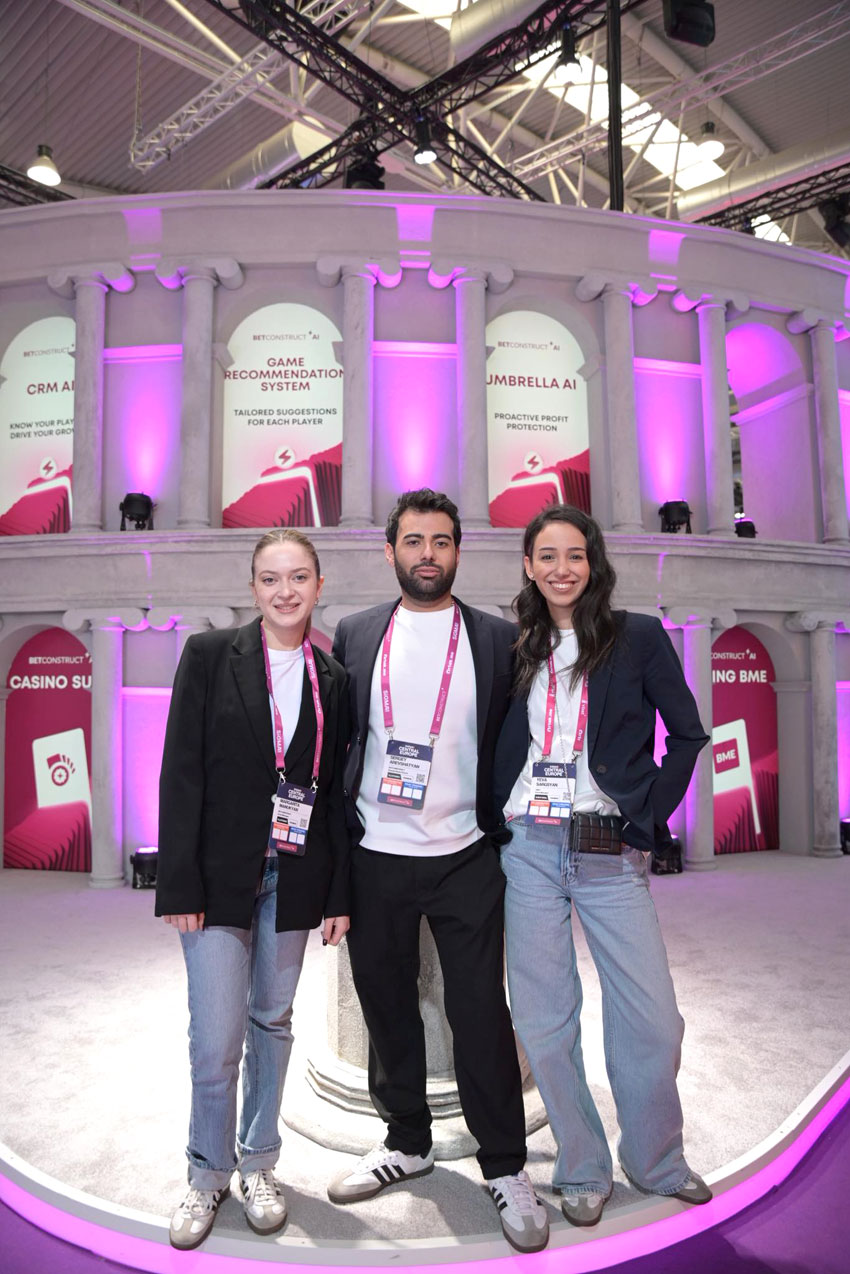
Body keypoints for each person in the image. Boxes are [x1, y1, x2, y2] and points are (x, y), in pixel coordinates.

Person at [326, 489, 549, 1254]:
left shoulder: (498, 639)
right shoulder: (356, 634)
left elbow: (516, 741)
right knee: (386, 1005)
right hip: (375, 855)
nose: (428, 554)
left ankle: (505, 1164)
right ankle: (406, 1140)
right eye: (414, 541)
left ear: (459, 550)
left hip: (466, 856)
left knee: (480, 1012)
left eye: (442, 541)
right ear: (389, 550)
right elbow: (340, 747)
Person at [492, 504, 712, 1229]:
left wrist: (647, 815)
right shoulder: (515, 646)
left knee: (653, 1018)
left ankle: (656, 1160)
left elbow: (688, 734)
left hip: (608, 845)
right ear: (529, 566)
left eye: (576, 555)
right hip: (529, 845)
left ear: (594, 564)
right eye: (547, 556)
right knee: (544, 1018)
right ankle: (582, 1166)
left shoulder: (637, 637)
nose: (562, 569)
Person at [155, 528, 350, 1251]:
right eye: (271, 578)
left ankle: (259, 1164)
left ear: (319, 585)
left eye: (298, 577)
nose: (285, 591)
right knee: (216, 1037)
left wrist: (337, 894)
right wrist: (178, 882)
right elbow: (181, 771)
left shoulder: (333, 679)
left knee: (273, 1021)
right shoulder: (210, 655)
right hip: (215, 878)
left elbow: (333, 796)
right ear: (253, 588)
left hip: (293, 877)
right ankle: (207, 1172)